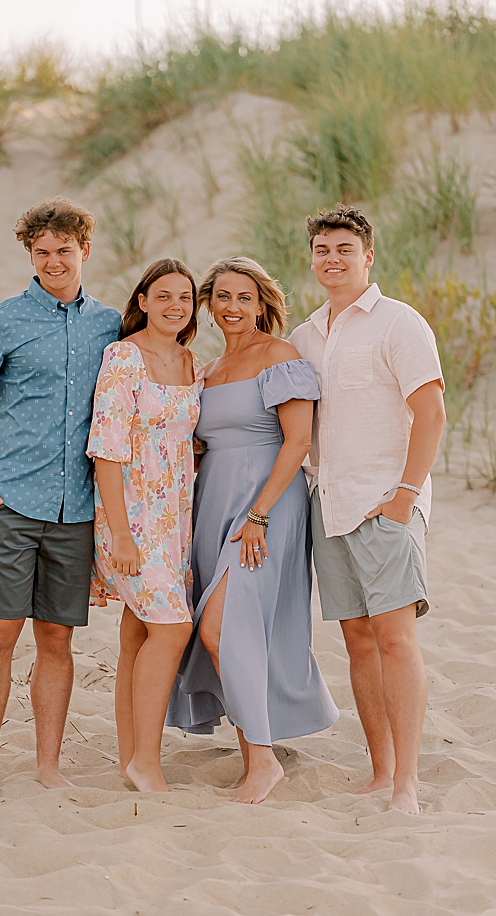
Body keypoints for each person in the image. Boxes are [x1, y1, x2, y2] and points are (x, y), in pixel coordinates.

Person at [0, 197, 123, 794]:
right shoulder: (1, 322)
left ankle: (49, 769)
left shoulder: (109, 325)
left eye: (63, 251)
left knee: (56, 639)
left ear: (84, 250)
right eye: (41, 252)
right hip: (9, 504)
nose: (52, 262)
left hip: (76, 510)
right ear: (30, 254)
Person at [289, 205, 446, 814]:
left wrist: (405, 497)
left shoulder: (398, 324)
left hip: (387, 503)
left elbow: (430, 412)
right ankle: (380, 771)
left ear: (368, 256)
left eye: (344, 250)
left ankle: (407, 780)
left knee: (396, 639)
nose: (332, 259)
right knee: (356, 639)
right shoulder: (306, 335)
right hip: (329, 505)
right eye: (323, 249)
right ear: (313, 257)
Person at [168, 256, 337, 804]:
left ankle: (262, 760)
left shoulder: (280, 357)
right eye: (222, 297)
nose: (232, 307)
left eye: (244, 297)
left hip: (267, 505)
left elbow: (298, 441)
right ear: (209, 304)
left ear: (263, 303)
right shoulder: (210, 368)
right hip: (213, 503)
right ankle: (252, 759)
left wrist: (260, 514)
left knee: (221, 627)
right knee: (231, 630)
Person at [86, 258, 202, 793]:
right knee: (172, 629)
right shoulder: (124, 357)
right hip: (129, 517)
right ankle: (147, 763)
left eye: (184, 297)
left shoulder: (190, 362)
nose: (175, 306)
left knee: (138, 631)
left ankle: (128, 757)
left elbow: (188, 443)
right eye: (164, 296)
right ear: (144, 301)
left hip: (175, 519)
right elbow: (106, 451)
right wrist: (123, 534)